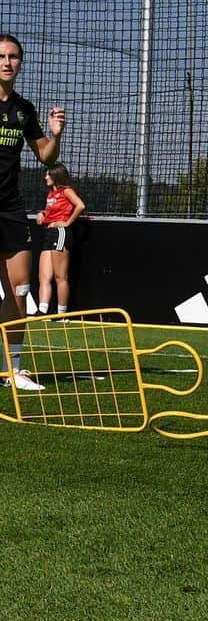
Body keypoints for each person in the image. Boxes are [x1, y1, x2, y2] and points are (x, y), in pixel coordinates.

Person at [0, 34, 65, 391]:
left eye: (14, 57)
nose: (8, 62)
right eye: (2, 56)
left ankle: (13, 369)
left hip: (10, 209)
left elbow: (46, 156)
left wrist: (55, 135)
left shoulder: (24, 109)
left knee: (20, 289)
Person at [34, 163, 86, 316]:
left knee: (60, 276)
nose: (45, 177)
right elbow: (50, 211)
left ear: (56, 175)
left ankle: (61, 314)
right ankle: (42, 311)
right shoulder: (51, 194)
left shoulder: (66, 191)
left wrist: (68, 222)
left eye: (48, 175)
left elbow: (80, 206)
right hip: (49, 233)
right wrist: (42, 214)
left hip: (60, 233)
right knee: (44, 276)